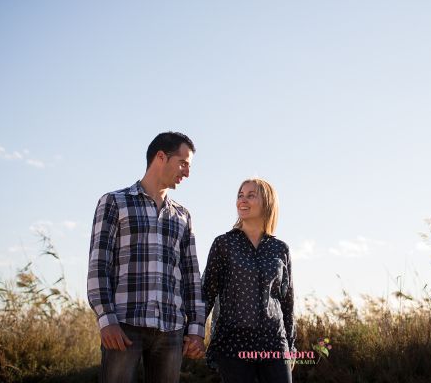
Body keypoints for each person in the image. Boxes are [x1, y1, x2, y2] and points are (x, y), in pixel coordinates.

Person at [87, 131, 206, 383]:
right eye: (183, 163)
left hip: (171, 329)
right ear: (161, 157)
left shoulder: (183, 215)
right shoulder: (114, 202)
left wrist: (196, 329)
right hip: (124, 325)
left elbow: (191, 276)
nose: (187, 172)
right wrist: (106, 320)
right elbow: (99, 266)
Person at [202, 178, 296, 383]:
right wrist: (194, 332)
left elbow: (287, 301)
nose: (242, 200)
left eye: (250, 195)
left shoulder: (280, 248)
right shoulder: (224, 244)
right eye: (240, 195)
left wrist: (291, 345)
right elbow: (206, 292)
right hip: (233, 343)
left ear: (268, 202)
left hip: (274, 344)